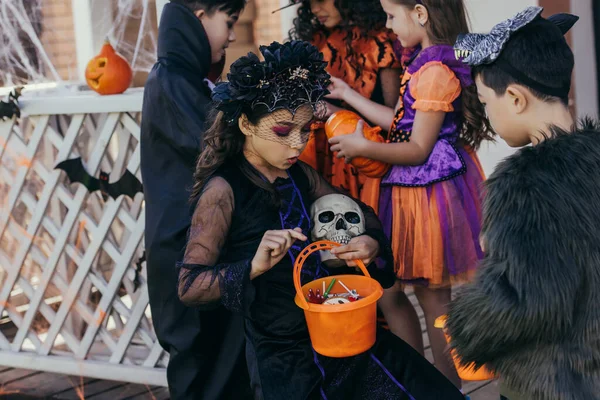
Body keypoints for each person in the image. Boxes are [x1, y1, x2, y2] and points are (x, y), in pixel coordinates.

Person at [177, 40, 466, 400]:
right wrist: (251, 266)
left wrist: (368, 242)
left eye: (305, 131)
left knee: (421, 387)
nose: (296, 145)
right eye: (283, 131)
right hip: (285, 360)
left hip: (345, 334)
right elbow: (189, 285)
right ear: (247, 125)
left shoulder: (300, 175)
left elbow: (360, 213)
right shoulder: (223, 190)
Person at [324, 0, 492, 388]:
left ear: (420, 13)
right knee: (390, 290)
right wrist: (349, 95)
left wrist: (364, 148)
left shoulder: (434, 71)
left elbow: (417, 148)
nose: (387, 24)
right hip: (401, 193)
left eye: (391, 15)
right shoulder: (418, 63)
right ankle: (416, 384)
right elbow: (399, 124)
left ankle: (446, 390)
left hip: (429, 196)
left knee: (435, 299)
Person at [446, 8, 600, 400]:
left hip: (550, 380)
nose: (487, 113)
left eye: (485, 101)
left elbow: (525, 300)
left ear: (514, 98)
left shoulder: (523, 186)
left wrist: (463, 320)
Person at [140, 1, 251, 399]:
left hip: (207, 242)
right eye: (229, 22)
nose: (234, 35)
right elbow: (220, 147)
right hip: (186, 251)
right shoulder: (170, 81)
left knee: (227, 368)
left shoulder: (189, 79)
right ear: (199, 15)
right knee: (200, 371)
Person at [285, 0, 401, 206]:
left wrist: (335, 112)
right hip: (319, 157)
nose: (314, 9)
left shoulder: (379, 40)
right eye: (308, 3)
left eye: (320, 0)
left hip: (366, 160)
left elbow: (396, 123)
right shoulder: (314, 40)